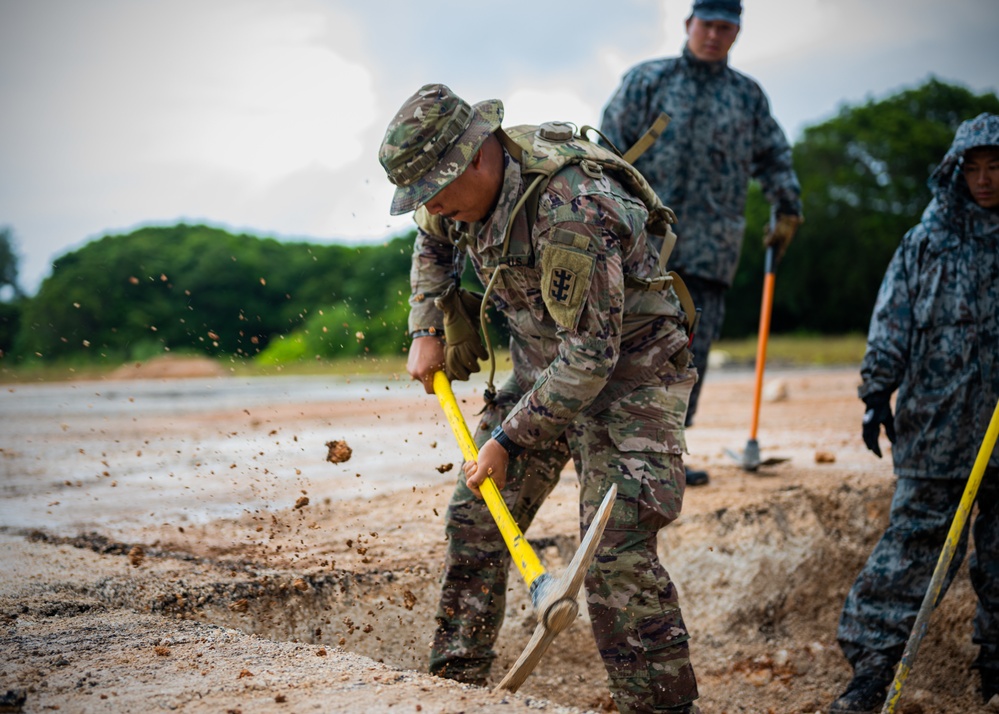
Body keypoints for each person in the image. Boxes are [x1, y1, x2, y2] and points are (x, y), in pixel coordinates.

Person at [378, 83, 701, 713]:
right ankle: (454, 691)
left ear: (477, 156)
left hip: (631, 376)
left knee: (615, 559)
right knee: (475, 521)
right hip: (540, 367)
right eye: (422, 197)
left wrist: (504, 439)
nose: (435, 207)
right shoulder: (450, 193)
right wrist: (426, 325)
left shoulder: (570, 209)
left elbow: (591, 357)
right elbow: (432, 237)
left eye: (439, 191)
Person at [830, 113, 999, 713]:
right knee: (908, 558)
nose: (984, 179)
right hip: (937, 430)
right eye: (972, 168)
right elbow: (892, 322)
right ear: (954, 173)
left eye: (995, 167)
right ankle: (872, 672)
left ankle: (996, 673)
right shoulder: (925, 242)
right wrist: (877, 394)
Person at [599, 0, 803, 486]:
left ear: (736, 34)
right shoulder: (647, 80)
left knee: (691, 354)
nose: (715, 34)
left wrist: (788, 207)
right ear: (689, 24)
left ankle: (667, 455)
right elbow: (605, 149)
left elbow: (775, 156)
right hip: (641, 247)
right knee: (625, 345)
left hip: (712, 250)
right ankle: (606, 451)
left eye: (726, 28)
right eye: (707, 24)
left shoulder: (747, 97)